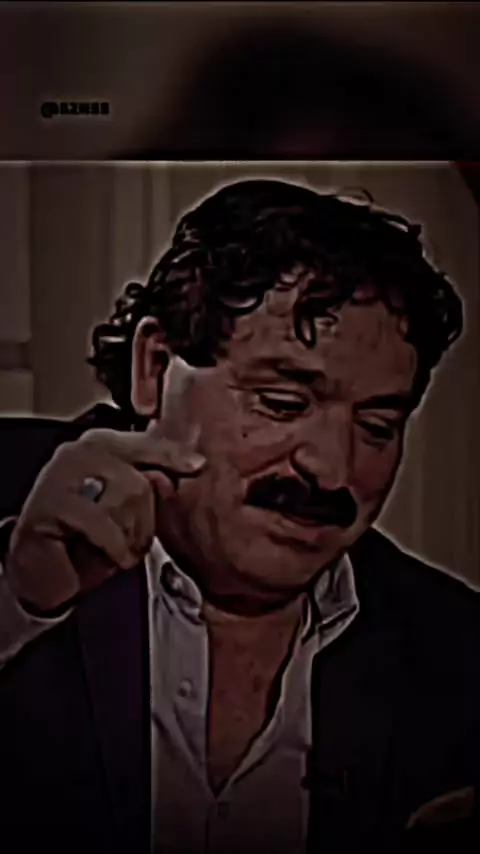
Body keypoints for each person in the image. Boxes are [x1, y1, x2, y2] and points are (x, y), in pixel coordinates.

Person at [0, 178, 478, 854]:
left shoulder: (458, 653)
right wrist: (15, 600)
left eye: (377, 426)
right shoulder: (11, 506)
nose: (331, 470)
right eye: (282, 403)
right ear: (155, 368)